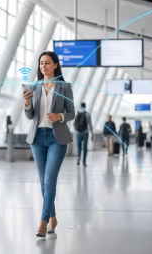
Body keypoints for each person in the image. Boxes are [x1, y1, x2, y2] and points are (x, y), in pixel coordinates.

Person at [23, 51, 75, 238]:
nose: (43, 66)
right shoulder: (34, 87)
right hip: (37, 138)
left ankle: (43, 222)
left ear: (55, 65)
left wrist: (59, 116)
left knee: (49, 179)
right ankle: (53, 217)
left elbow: (71, 113)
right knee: (43, 183)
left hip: (56, 138)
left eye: (46, 62)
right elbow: (30, 116)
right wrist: (27, 103)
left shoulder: (64, 87)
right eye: (41, 63)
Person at [74, 102, 94, 167]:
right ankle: (84, 162)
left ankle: (78, 159)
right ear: (85, 107)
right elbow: (90, 125)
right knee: (85, 148)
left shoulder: (77, 113)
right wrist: (92, 134)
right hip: (85, 133)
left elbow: (74, 124)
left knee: (78, 146)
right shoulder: (87, 114)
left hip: (78, 132)